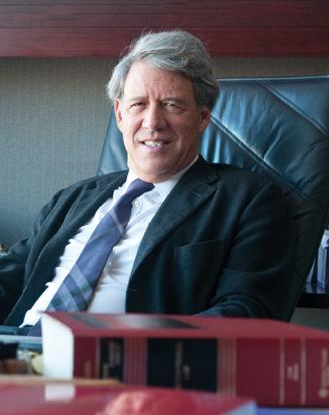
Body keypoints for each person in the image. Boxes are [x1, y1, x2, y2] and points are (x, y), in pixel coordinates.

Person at [0, 30, 294, 333]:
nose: (152, 123)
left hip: (125, 364)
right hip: (17, 352)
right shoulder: (72, 199)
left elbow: (246, 310)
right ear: (120, 114)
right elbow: (11, 276)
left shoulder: (246, 199)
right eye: (138, 104)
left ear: (203, 116)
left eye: (171, 105)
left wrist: (140, 347)